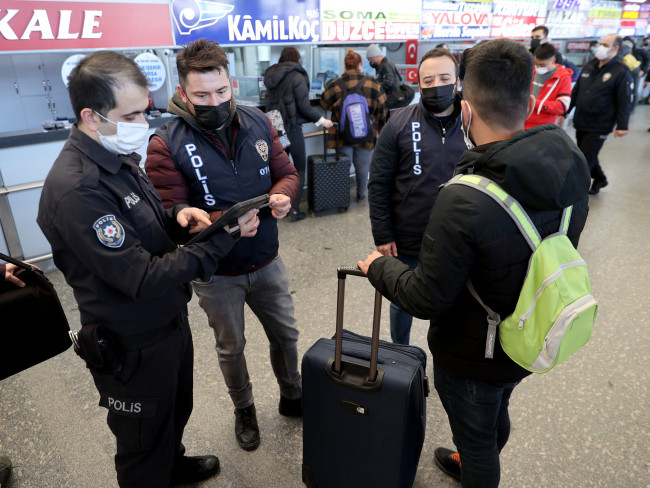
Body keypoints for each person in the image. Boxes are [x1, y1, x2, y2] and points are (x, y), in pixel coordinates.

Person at [358, 38, 590, 487]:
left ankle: (475, 465)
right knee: (495, 412)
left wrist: (377, 267)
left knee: (478, 438)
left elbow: (427, 296)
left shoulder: (464, 196)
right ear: (528, 98)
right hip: (530, 327)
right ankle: (476, 453)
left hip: (475, 348)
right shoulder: (569, 163)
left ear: (466, 109)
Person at [36, 50, 260, 487]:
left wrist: (177, 217)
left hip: (168, 323)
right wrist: (222, 237)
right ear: (92, 115)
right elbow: (139, 276)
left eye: (146, 111)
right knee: (142, 443)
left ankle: (172, 464)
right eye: (133, 114)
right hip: (132, 341)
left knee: (173, 412)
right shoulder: (79, 188)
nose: (144, 124)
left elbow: (142, 225)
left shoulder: (116, 158)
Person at [145, 38, 301, 453]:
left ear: (231, 83)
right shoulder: (166, 142)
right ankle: (244, 408)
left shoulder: (258, 123)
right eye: (201, 95)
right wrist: (212, 222)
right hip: (217, 274)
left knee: (286, 334)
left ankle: (293, 393)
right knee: (231, 348)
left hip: (267, 260)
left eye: (221, 91)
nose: (213, 101)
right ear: (182, 92)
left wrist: (284, 195)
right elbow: (170, 213)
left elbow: (286, 172)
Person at [368, 47, 466, 345]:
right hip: (407, 236)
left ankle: (447, 358)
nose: (437, 85)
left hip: (457, 238)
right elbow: (379, 183)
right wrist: (383, 234)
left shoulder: (475, 124)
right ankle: (402, 353)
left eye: (444, 77)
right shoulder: (398, 123)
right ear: (418, 83)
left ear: (458, 81)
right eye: (428, 79)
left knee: (453, 302)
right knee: (402, 301)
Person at [264, 47, 333, 221]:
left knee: (279, 169)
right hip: (292, 128)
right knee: (298, 169)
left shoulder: (271, 76)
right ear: (298, 60)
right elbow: (304, 107)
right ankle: (293, 210)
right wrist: (321, 121)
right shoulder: (297, 76)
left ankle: (277, 207)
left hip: (274, 128)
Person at [565, 34, 631, 195]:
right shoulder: (590, 65)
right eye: (600, 43)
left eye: (605, 45)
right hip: (582, 119)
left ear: (615, 48)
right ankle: (600, 178)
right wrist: (565, 111)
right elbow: (576, 91)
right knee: (585, 152)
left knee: (585, 157)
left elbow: (624, 100)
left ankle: (574, 192)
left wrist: (622, 125)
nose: (600, 47)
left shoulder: (620, 71)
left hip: (601, 123)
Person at [320, 49, 388, 201]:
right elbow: (383, 108)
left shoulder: (335, 84)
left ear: (345, 66)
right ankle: (361, 195)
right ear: (360, 65)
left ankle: (342, 197)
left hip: (342, 134)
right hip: (367, 133)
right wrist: (379, 127)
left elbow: (324, 103)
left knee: (343, 165)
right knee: (363, 165)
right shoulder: (372, 83)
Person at [525, 43, 573, 129]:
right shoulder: (532, 70)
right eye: (536, 63)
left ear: (553, 61)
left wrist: (534, 103)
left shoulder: (563, 77)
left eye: (542, 65)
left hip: (543, 127)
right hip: (523, 122)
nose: (538, 67)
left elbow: (563, 106)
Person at [366, 44, 408, 109]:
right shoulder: (382, 66)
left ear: (374, 57)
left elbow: (389, 82)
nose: (370, 63)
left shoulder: (386, 65)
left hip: (393, 98)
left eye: (370, 60)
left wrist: (376, 89)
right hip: (392, 97)